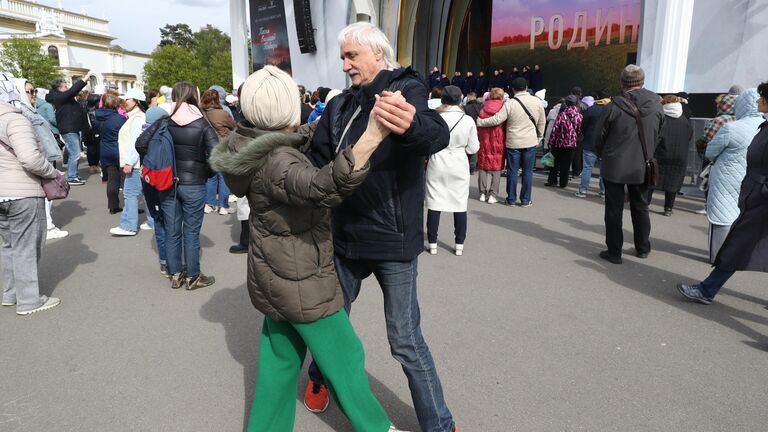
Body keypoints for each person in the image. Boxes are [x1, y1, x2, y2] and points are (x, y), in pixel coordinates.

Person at [210, 64, 406, 432]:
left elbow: (288, 138)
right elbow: (321, 185)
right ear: (288, 106)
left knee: (279, 364)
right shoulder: (279, 160)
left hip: (274, 275)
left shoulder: (246, 141)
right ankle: (378, 428)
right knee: (346, 357)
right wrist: (372, 136)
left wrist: (331, 116)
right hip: (302, 279)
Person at [305, 22, 457, 432]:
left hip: (394, 239)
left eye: (352, 56)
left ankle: (439, 424)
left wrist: (412, 125)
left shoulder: (406, 90)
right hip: (345, 238)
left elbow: (436, 134)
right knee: (332, 323)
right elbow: (318, 160)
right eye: (343, 57)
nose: (345, 64)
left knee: (406, 341)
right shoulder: (337, 106)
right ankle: (317, 379)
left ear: (378, 54)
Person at [677, 82, 768, 305]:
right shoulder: (762, 126)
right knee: (739, 243)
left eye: (761, 98)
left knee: (736, 243)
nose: (758, 102)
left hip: (760, 199)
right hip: (754, 194)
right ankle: (707, 289)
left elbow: (710, 150)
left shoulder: (737, 127)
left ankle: (707, 289)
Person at [136, 82, 218, 290]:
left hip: (167, 183)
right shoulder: (202, 123)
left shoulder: (165, 121)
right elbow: (218, 156)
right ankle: (193, 277)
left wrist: (156, 163)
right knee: (191, 231)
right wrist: (206, 173)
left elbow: (141, 144)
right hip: (194, 185)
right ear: (194, 96)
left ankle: (175, 274)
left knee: (172, 230)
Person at [595, 65, 664, 264]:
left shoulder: (614, 106)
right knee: (641, 206)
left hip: (615, 164)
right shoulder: (657, 104)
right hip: (643, 164)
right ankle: (643, 247)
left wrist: (605, 154)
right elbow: (660, 133)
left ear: (622, 83)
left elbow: (599, 137)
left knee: (614, 210)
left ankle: (614, 252)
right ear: (642, 81)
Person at [0, 99, 61, 315]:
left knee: (8, 246)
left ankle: (11, 293)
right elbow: (30, 158)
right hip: (22, 191)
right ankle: (29, 300)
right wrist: (52, 173)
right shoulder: (14, 119)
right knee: (26, 246)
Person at [703, 89, 763, 263]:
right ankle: (739, 255)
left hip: (725, 179)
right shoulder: (763, 128)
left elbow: (710, 152)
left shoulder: (731, 128)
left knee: (721, 217)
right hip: (752, 178)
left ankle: (718, 258)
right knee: (743, 217)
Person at [6, 75, 68, 240]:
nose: (33, 94)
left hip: (42, 158)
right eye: (29, 91)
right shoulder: (23, 114)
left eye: (34, 91)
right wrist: (48, 169)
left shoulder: (29, 110)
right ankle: (48, 227)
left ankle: (46, 225)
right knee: (45, 196)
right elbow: (31, 147)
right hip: (38, 160)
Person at [425, 86, 479, 256]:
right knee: (459, 204)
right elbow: (473, 147)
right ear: (460, 99)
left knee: (434, 203)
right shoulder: (468, 120)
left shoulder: (435, 117)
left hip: (437, 161)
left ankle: (432, 243)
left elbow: (426, 142)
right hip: (458, 163)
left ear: (443, 100)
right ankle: (459, 244)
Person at [477, 77, 545, 207]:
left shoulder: (510, 103)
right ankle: (525, 200)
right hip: (530, 141)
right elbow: (542, 122)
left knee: (512, 171)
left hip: (513, 142)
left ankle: (511, 199)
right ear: (526, 87)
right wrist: (539, 138)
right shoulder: (537, 102)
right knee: (527, 172)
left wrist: (481, 122)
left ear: (513, 90)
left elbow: (497, 119)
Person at [647, 95, 694, 216]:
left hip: (661, 154)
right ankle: (668, 208)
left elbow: (654, 136)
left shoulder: (661, 118)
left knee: (652, 178)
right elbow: (689, 137)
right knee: (673, 182)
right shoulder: (685, 120)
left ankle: (645, 204)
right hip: (679, 156)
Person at [110, 89, 147, 236]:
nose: (125, 102)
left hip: (135, 164)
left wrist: (129, 162)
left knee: (130, 194)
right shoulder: (136, 117)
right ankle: (152, 221)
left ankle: (128, 226)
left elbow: (135, 143)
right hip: (138, 163)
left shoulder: (137, 119)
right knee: (144, 193)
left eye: (128, 99)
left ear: (137, 101)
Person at [694, 93, 738, 214]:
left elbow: (706, 139)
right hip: (733, 159)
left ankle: (710, 207)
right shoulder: (740, 119)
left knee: (710, 184)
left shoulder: (719, 120)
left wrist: (700, 148)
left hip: (713, 158)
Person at [45, 73, 91, 185]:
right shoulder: (59, 97)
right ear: (59, 88)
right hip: (69, 128)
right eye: (65, 86)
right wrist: (84, 79)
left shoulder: (63, 96)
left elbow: (72, 92)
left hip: (72, 128)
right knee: (75, 153)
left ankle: (73, 175)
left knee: (75, 153)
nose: (68, 88)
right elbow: (73, 91)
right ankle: (71, 177)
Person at [140, 107, 169, 275]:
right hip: (165, 179)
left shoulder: (142, 136)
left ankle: (164, 260)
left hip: (148, 179)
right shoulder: (166, 134)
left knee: (157, 220)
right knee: (171, 219)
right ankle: (173, 257)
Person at [200, 89, 236, 216]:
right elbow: (233, 126)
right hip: (222, 147)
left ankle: (209, 204)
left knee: (211, 177)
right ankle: (223, 206)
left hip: (207, 147)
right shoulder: (222, 113)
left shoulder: (201, 113)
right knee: (224, 178)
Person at [94, 93, 127, 214]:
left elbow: (95, 131)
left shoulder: (97, 118)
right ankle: (130, 206)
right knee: (126, 179)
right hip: (118, 148)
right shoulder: (120, 118)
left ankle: (113, 206)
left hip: (105, 149)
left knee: (112, 179)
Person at [575, 89, 610, 198]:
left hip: (590, 142)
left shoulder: (592, 109)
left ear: (597, 98)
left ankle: (583, 190)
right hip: (606, 144)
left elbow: (583, 126)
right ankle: (603, 191)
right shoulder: (611, 109)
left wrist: (583, 134)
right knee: (604, 169)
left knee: (587, 167)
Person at [476, 87, 506, 203]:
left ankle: (482, 193)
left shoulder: (484, 107)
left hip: (484, 138)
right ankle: (493, 195)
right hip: (498, 138)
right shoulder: (503, 107)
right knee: (496, 166)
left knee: (483, 165)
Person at [546, 95, 583, 188]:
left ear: (566, 103)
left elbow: (555, 129)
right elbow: (579, 130)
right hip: (571, 144)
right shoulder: (579, 116)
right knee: (566, 165)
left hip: (558, 143)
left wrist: (550, 142)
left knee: (554, 163)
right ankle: (563, 183)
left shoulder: (561, 115)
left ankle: (552, 181)